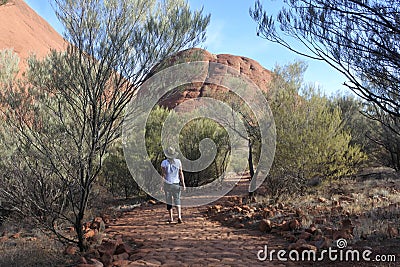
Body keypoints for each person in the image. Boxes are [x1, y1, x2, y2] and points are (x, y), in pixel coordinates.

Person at [161, 147, 186, 223]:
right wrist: (183, 184)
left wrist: (161, 185)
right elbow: (181, 173)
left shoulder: (164, 163)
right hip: (176, 183)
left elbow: (163, 175)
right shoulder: (178, 162)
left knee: (169, 201)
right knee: (177, 200)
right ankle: (179, 216)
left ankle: (171, 218)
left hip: (167, 184)